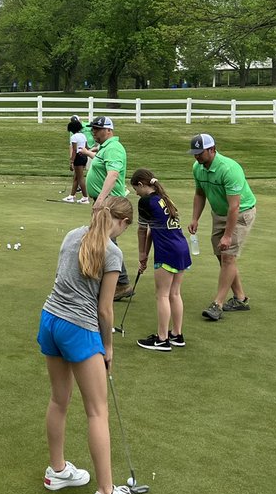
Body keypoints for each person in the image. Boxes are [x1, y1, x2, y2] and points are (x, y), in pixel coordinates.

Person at [36, 196, 143, 494]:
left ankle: (57, 471)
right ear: (123, 222)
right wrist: (108, 347)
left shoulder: (73, 234)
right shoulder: (112, 252)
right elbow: (105, 309)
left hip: (50, 319)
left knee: (59, 400)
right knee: (97, 411)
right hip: (78, 329)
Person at [186, 134, 258, 322]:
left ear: (212, 150)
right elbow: (199, 194)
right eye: (194, 153)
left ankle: (217, 304)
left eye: (200, 153)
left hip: (240, 213)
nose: (196, 156)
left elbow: (234, 206)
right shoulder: (198, 168)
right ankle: (240, 299)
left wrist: (227, 236)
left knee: (228, 257)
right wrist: (195, 218)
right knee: (222, 256)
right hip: (219, 214)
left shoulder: (229, 169)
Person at [130, 168, 192, 351]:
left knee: (162, 295)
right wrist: (145, 254)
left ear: (141, 184)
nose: (136, 193)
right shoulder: (163, 198)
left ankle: (162, 339)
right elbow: (153, 230)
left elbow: (142, 230)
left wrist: (141, 254)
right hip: (181, 248)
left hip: (167, 251)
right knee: (175, 293)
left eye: (136, 189)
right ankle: (176, 334)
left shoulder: (145, 201)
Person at [85, 117, 132, 299]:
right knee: (104, 239)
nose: (94, 132)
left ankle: (121, 283)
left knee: (106, 240)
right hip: (105, 200)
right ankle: (114, 281)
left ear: (109, 130)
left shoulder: (113, 148)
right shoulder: (106, 147)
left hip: (109, 202)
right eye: (93, 129)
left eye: (97, 129)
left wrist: (101, 200)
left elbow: (113, 175)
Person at [64, 116, 90, 203]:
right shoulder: (83, 135)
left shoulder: (74, 137)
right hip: (84, 156)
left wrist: (71, 161)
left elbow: (74, 150)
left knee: (80, 178)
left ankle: (85, 197)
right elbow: (86, 147)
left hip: (78, 157)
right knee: (76, 177)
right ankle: (72, 196)